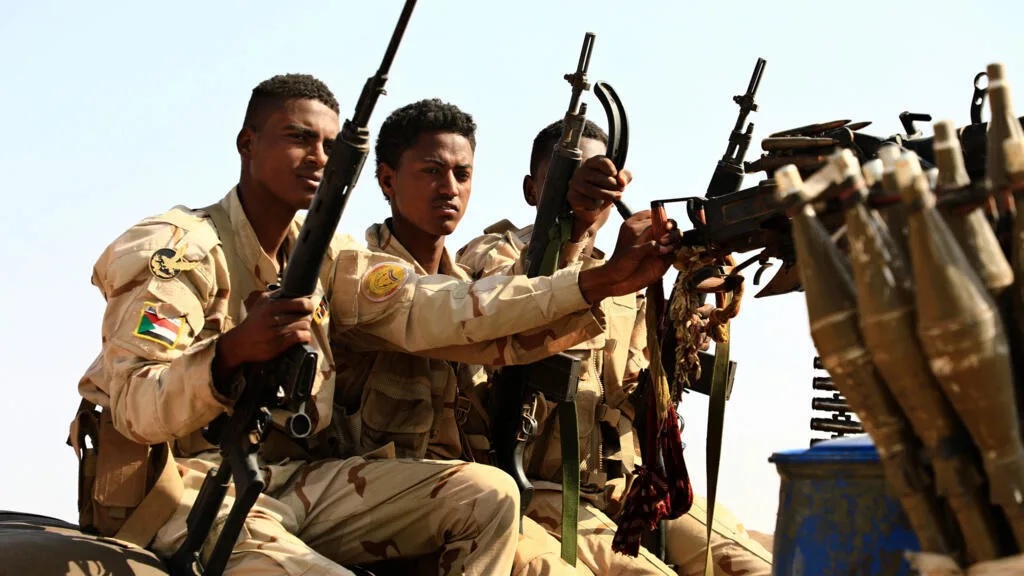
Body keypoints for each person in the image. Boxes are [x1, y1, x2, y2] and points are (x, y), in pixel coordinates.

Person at [72, 74, 678, 576]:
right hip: (192, 486)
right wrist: (228, 356)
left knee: (491, 494)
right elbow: (134, 405)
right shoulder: (179, 250)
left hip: (296, 480)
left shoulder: (329, 259)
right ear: (247, 143)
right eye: (297, 138)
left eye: (330, 146)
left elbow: (438, 309)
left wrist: (597, 281)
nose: (316, 157)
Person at [456, 119, 775, 576]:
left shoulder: (626, 281)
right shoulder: (494, 253)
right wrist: (577, 245)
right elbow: (516, 300)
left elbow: (638, 391)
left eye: (600, 183)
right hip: (538, 486)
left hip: (620, 486)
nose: (587, 195)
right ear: (533, 189)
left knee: (755, 566)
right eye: (568, 180)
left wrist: (686, 322)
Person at [334, 97, 606, 575]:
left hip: (470, 503)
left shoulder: (466, 283)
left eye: (463, 174)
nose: (449, 188)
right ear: (387, 180)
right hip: (380, 507)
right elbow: (471, 310)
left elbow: (516, 303)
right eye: (432, 172)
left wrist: (577, 227)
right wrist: (590, 269)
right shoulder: (360, 276)